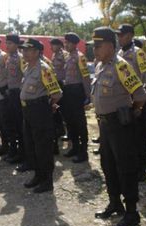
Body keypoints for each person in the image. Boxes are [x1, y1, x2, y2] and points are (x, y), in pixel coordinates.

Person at [91, 27, 146, 226]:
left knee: (126, 167)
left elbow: (140, 95)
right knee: (108, 165)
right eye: (93, 46)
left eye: (98, 46)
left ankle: (132, 212)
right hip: (104, 125)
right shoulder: (99, 66)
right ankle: (115, 202)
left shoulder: (121, 67)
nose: (94, 50)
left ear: (110, 45)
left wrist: (131, 112)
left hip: (120, 125)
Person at [19, 38, 62, 193]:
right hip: (28, 111)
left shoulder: (43, 69)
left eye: (27, 50)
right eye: (23, 50)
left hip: (39, 110)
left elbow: (56, 93)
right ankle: (38, 176)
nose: (24, 52)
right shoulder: (27, 67)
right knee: (31, 146)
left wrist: (48, 106)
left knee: (43, 147)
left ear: (37, 52)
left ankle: (47, 181)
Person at [116, 24, 146, 182]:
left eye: (122, 35)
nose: (119, 38)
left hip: (138, 102)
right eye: (118, 35)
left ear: (130, 35)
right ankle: (130, 167)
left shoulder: (139, 53)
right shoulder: (119, 53)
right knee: (127, 137)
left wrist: (142, 101)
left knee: (140, 137)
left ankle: (141, 170)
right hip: (124, 103)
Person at [62, 32, 91, 163]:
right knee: (70, 120)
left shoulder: (80, 57)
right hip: (68, 91)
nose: (65, 44)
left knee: (79, 122)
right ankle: (75, 147)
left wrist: (87, 95)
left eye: (68, 42)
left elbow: (85, 77)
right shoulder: (68, 57)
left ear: (74, 43)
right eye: (65, 42)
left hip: (77, 91)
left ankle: (83, 151)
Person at [5, 34, 26, 165]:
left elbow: (25, 76)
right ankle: (15, 151)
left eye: (10, 43)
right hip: (11, 93)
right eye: (6, 43)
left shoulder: (20, 58)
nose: (7, 46)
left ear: (17, 45)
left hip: (19, 93)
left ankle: (23, 154)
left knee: (20, 125)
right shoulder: (8, 58)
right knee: (12, 123)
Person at [50, 38, 68, 155]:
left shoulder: (64, 55)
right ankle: (61, 130)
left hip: (63, 83)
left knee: (64, 110)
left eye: (53, 45)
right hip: (56, 83)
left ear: (59, 45)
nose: (52, 47)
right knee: (57, 110)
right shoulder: (54, 55)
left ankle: (66, 131)